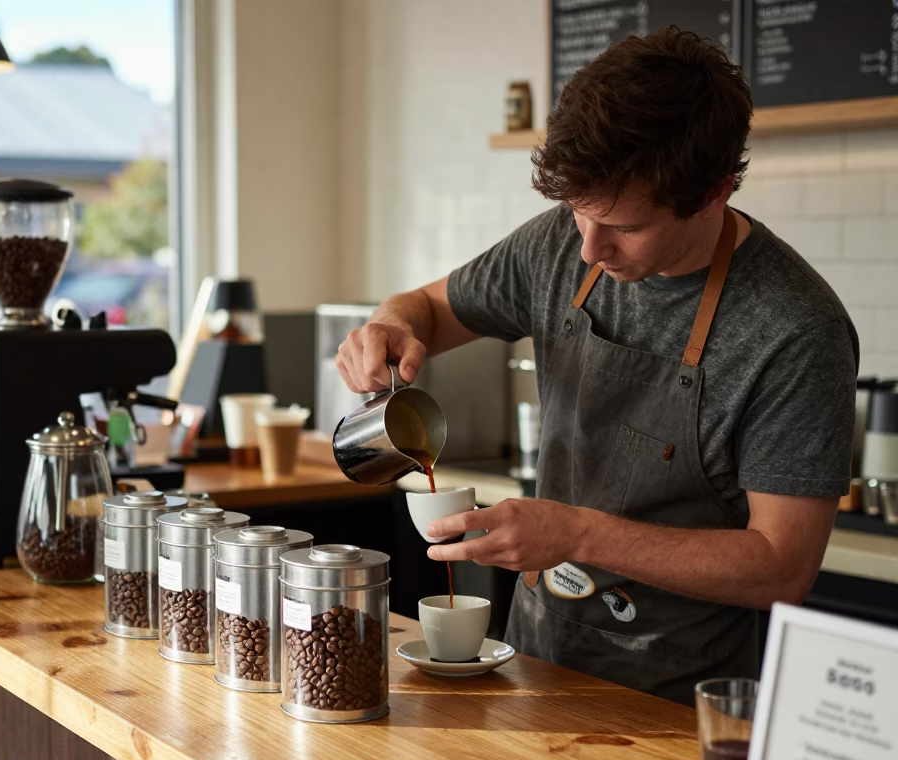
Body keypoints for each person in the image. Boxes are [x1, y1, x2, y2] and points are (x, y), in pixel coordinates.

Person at [335, 27, 858, 705]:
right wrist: (391, 326)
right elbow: (426, 308)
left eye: (625, 228)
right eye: (577, 214)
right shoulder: (560, 244)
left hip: (678, 705)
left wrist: (578, 532)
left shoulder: (794, 330)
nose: (589, 250)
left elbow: (781, 566)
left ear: (713, 192)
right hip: (533, 668)